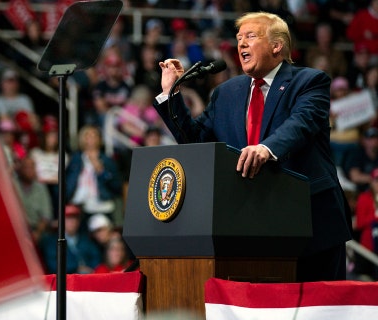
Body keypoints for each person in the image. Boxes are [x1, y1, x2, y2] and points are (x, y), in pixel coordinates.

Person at [154, 12, 351, 282]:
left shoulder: (310, 81)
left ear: (276, 45)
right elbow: (195, 142)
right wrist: (171, 93)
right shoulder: (227, 92)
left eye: (250, 36)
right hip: (252, 227)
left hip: (310, 224)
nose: (241, 44)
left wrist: (266, 148)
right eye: (238, 39)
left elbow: (301, 124)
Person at [65, 125, 123, 232]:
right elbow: (68, 181)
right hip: (79, 205)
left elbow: (116, 186)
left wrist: (101, 171)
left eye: (94, 136)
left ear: (99, 139)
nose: (91, 139)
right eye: (87, 136)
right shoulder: (75, 159)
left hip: (102, 206)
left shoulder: (107, 160)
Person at [40, 204, 101, 274]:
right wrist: (76, 268)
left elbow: (96, 257)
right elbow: (53, 264)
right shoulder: (51, 241)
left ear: (79, 221)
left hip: (87, 277)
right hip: (65, 280)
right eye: (68, 218)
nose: (72, 222)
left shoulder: (86, 239)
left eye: (75, 218)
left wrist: (90, 268)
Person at [13, 156, 53, 243]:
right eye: (26, 167)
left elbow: (46, 215)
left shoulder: (41, 188)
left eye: (32, 167)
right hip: (14, 228)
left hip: (35, 228)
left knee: (48, 241)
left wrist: (37, 233)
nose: (29, 170)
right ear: (20, 169)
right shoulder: (12, 184)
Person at [352, 167, 378, 280]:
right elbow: (359, 223)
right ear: (371, 181)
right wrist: (375, 217)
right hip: (368, 248)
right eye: (377, 180)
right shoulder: (364, 198)